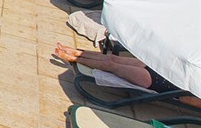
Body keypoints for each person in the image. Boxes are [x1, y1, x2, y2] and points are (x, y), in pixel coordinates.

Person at [52, 43, 201, 108]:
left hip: (154, 80)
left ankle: (74, 57)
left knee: (112, 65)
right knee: (112, 59)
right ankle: (77, 52)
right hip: (160, 69)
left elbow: (184, 99)